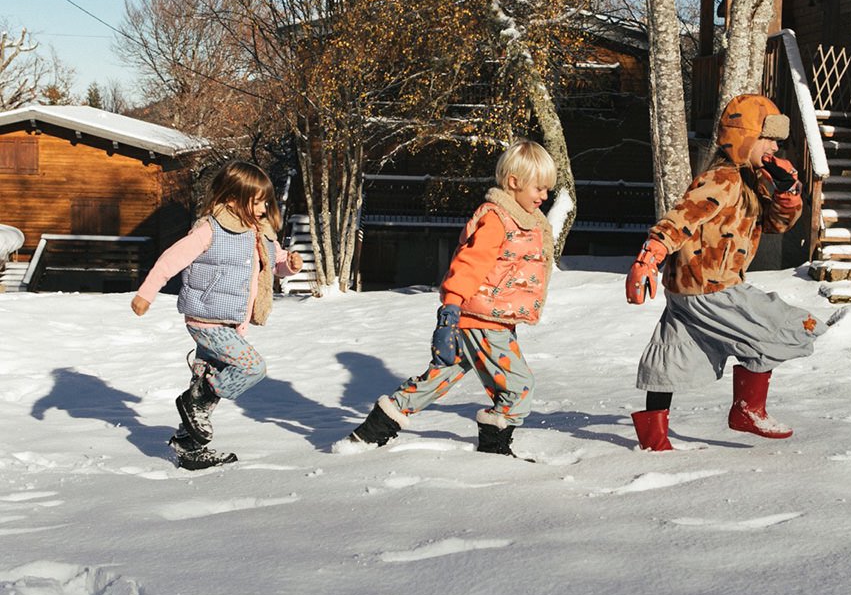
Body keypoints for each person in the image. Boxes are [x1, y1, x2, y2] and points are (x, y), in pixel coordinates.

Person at [626, 93, 826, 451]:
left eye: (777, 142)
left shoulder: (750, 180)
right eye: (767, 139)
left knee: (675, 352)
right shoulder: (722, 178)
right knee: (788, 327)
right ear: (744, 136)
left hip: (688, 288)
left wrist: (786, 193)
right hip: (713, 286)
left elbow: (777, 225)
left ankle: (653, 441)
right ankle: (747, 410)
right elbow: (682, 217)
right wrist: (650, 255)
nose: (774, 148)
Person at [347, 139, 556, 457]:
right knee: (518, 385)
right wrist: (450, 310)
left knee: (439, 377)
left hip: (488, 318)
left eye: (547, 190)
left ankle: (370, 432)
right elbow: (468, 265)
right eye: (538, 188)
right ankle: (494, 446)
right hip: (484, 321)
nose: (544, 196)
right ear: (514, 183)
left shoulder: (524, 221)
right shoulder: (497, 221)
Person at [131, 161, 303, 469]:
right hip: (206, 320)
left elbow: (273, 264)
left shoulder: (261, 233)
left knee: (206, 377)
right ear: (234, 198)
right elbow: (171, 259)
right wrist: (146, 293)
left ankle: (189, 446)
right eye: (257, 200)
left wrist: (289, 264)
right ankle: (193, 401)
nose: (264, 207)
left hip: (231, 322)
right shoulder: (211, 229)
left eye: (266, 200)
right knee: (252, 368)